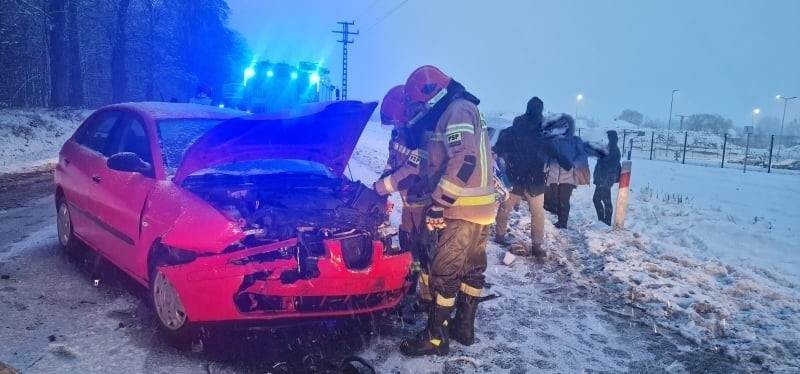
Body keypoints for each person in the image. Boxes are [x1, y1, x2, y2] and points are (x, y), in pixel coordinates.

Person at [398, 65, 495, 357]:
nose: (420, 108)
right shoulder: (466, 108)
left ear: (431, 92)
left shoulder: (455, 111)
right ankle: (463, 328)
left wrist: (439, 203)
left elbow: (463, 159)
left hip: (460, 207)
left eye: (420, 101)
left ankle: (436, 338)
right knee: (471, 270)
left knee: (443, 272)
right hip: (480, 208)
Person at [372, 85, 433, 314]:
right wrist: (378, 185)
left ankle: (429, 298)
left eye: (395, 121)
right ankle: (410, 285)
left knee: (425, 249)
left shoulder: (424, 134)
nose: (394, 126)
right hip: (409, 203)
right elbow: (392, 164)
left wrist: (383, 187)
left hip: (425, 202)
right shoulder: (398, 133)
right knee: (408, 245)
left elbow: (411, 171)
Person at [493, 97, 572, 257]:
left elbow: (497, 149)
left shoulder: (513, 130)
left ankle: (499, 237)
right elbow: (556, 153)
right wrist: (568, 164)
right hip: (534, 181)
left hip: (515, 178)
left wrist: (494, 155)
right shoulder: (543, 135)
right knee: (538, 214)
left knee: (504, 208)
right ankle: (536, 247)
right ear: (541, 111)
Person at [544, 114, 590, 228]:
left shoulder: (575, 141)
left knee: (564, 200)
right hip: (553, 175)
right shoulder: (553, 139)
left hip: (568, 177)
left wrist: (573, 164)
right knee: (553, 198)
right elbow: (545, 154)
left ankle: (562, 222)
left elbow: (582, 155)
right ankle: (555, 214)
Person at [593, 130, 621, 226]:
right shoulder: (609, 148)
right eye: (608, 136)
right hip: (603, 179)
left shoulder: (614, 150)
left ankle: (604, 221)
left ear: (614, 138)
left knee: (599, 199)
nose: (609, 138)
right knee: (605, 200)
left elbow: (608, 165)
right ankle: (604, 221)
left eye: (610, 137)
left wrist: (600, 158)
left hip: (606, 179)